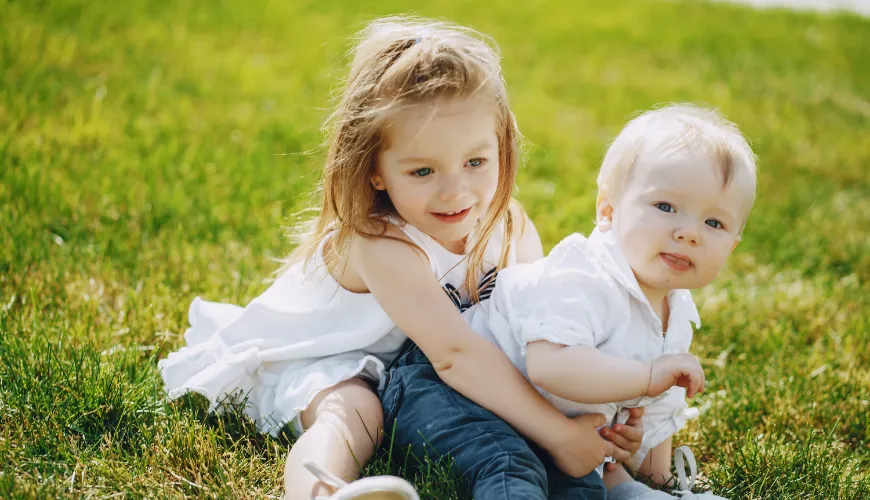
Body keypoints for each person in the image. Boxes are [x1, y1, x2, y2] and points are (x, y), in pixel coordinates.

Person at [159, 16, 640, 500]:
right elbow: (456, 355)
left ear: (502, 147)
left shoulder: (507, 224)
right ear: (375, 172)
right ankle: (318, 492)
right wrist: (558, 435)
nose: (456, 191)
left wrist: (593, 413)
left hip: (420, 375)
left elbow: (527, 336)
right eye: (423, 170)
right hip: (325, 361)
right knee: (355, 411)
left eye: (476, 162)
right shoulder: (382, 244)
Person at [444, 104, 756, 499]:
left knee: (584, 486)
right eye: (665, 207)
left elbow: (655, 409)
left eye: (714, 223)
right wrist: (647, 377)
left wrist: (642, 461)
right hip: (462, 392)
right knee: (513, 466)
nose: (689, 233)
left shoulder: (675, 314)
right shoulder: (584, 275)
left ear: (733, 244)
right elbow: (550, 365)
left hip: (552, 423)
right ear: (608, 211)